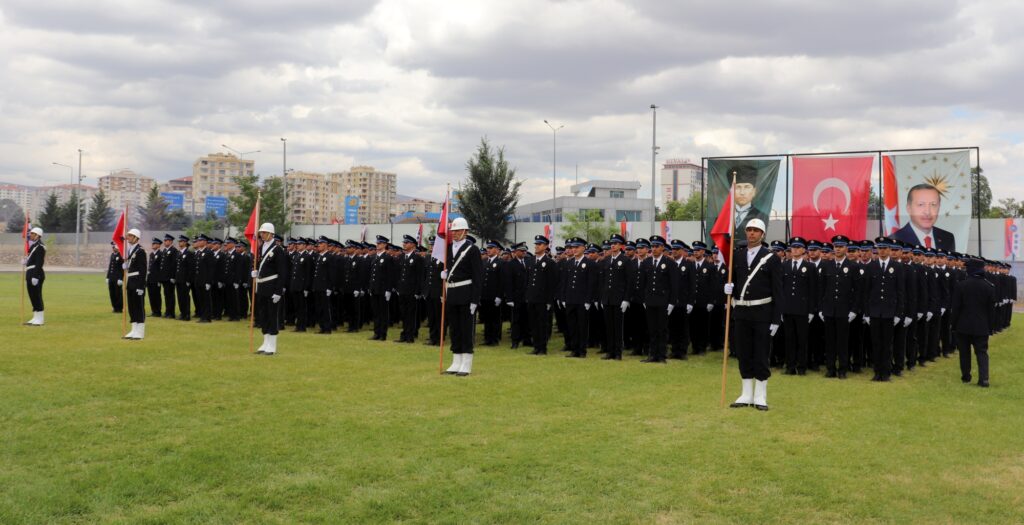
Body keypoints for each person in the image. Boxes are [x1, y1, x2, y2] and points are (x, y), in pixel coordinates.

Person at [724, 219, 782, 411]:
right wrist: (727, 288)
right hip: (742, 313)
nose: (751, 233)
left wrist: (775, 319)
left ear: (762, 234)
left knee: (761, 354)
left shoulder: (771, 258)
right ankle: (746, 393)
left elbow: (778, 291)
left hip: (762, 313)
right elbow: (733, 281)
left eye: (756, 230)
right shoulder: (737, 256)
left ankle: (760, 395)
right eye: (749, 230)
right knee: (744, 353)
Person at [442, 218, 483, 376]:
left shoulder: (472, 250)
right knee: (455, 329)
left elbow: (478, 276)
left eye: (458, 231)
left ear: (465, 232)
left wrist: (475, 300)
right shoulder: (449, 248)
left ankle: (466, 362)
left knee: (466, 329)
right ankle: (456, 361)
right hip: (451, 294)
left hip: (466, 294)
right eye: (453, 231)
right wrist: (444, 274)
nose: (454, 233)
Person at [860, 237, 905, 382]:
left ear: (890, 249)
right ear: (877, 250)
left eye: (885, 248)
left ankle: (886, 373)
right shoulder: (871, 267)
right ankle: (877, 372)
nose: (883, 250)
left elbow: (900, 292)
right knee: (876, 343)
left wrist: (898, 313)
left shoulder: (897, 267)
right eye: (880, 248)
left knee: (887, 344)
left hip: (889, 312)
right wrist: (867, 313)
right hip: (874, 312)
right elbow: (866, 292)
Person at [951, 257, 996, 387]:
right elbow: (991, 311)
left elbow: (956, 308)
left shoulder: (961, 285)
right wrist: (990, 327)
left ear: (970, 270)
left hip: (963, 325)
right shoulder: (989, 287)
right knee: (982, 352)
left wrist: (953, 325)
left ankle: (966, 376)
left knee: (964, 352)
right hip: (981, 327)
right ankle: (984, 379)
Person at [251, 223, 288, 355]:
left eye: (265, 233)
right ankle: (265, 342)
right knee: (263, 316)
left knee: (272, 316)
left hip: (272, 287)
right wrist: (255, 272)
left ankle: (272, 345)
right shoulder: (260, 248)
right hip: (261, 287)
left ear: (271, 234)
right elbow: (260, 266)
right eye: (261, 232)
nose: (262, 235)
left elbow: (282, 272)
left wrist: (278, 291)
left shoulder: (278, 250)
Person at [892, 184, 956, 251]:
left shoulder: (948, 238)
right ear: (909, 208)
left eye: (933, 204)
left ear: (939, 207)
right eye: (921, 204)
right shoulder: (894, 243)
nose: (927, 212)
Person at [730, 165, 770, 242]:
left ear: (754, 191)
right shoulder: (722, 218)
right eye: (738, 187)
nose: (742, 193)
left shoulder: (762, 216)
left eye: (747, 187)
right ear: (732, 191)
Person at [396, 235, 424, 343]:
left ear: (412, 245)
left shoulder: (418, 258)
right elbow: (399, 274)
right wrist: (398, 288)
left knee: (411, 314)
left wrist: (418, 291)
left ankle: (410, 335)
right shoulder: (402, 257)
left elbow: (420, 276)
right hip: (402, 290)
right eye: (404, 242)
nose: (404, 244)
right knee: (403, 313)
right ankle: (404, 334)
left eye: (406, 243)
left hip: (412, 291)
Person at [122, 229, 148, 340]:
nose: (128, 238)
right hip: (131, 281)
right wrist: (126, 265)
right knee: (132, 307)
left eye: (130, 236)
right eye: (128, 236)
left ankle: (140, 332)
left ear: (136, 238)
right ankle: (133, 330)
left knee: (139, 307)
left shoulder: (140, 251)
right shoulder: (130, 250)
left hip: (138, 282)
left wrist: (141, 286)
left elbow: (143, 270)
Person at [24, 227, 47, 325]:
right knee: (32, 296)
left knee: (37, 296)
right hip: (30, 272)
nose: (30, 235)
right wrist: (26, 262)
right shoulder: (33, 246)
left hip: (36, 273)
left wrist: (35, 276)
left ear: (37, 235)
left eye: (32, 234)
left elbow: (39, 262)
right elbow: (32, 259)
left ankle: (40, 319)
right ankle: (35, 317)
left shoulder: (40, 246)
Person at [174, 235, 193, 321]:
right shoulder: (178, 253)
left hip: (185, 279)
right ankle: (182, 313)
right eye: (179, 241)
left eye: (181, 241)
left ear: (185, 243)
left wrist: (188, 280)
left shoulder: (189, 253)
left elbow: (190, 268)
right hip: (178, 279)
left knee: (185, 297)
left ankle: (187, 314)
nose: (179, 243)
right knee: (180, 297)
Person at [160, 233, 178, 319]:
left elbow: (174, 265)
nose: (165, 242)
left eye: (166, 240)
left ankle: (171, 313)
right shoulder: (164, 251)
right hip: (164, 277)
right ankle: (167, 311)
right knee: (166, 295)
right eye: (164, 240)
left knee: (170, 295)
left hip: (169, 278)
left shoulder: (174, 251)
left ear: (170, 241)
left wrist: (173, 277)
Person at [106, 241, 124, 313]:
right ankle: (114, 307)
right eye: (112, 247)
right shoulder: (112, 255)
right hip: (111, 277)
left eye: (114, 246)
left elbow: (122, 268)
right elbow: (110, 266)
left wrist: (120, 278)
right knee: (112, 293)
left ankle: (119, 308)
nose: (113, 248)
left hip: (117, 278)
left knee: (118, 293)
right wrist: (107, 277)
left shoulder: (121, 255)